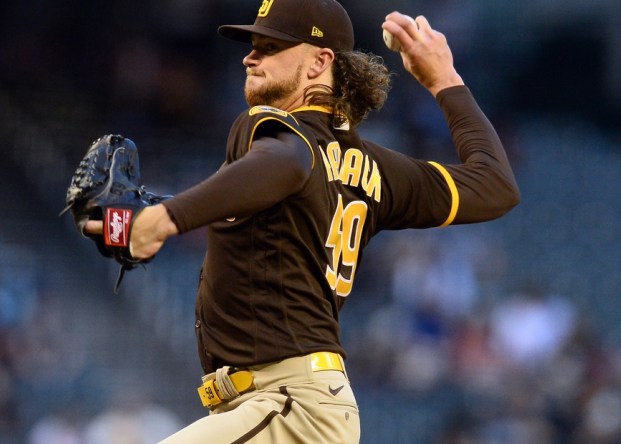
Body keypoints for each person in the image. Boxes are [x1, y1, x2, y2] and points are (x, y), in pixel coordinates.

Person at [85, 0, 520, 442]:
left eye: (271, 46)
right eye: (253, 45)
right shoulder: (379, 171)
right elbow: (495, 185)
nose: (250, 57)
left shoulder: (275, 130)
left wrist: (163, 218)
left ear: (319, 61)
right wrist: (445, 80)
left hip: (290, 404)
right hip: (300, 406)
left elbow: (287, 162)